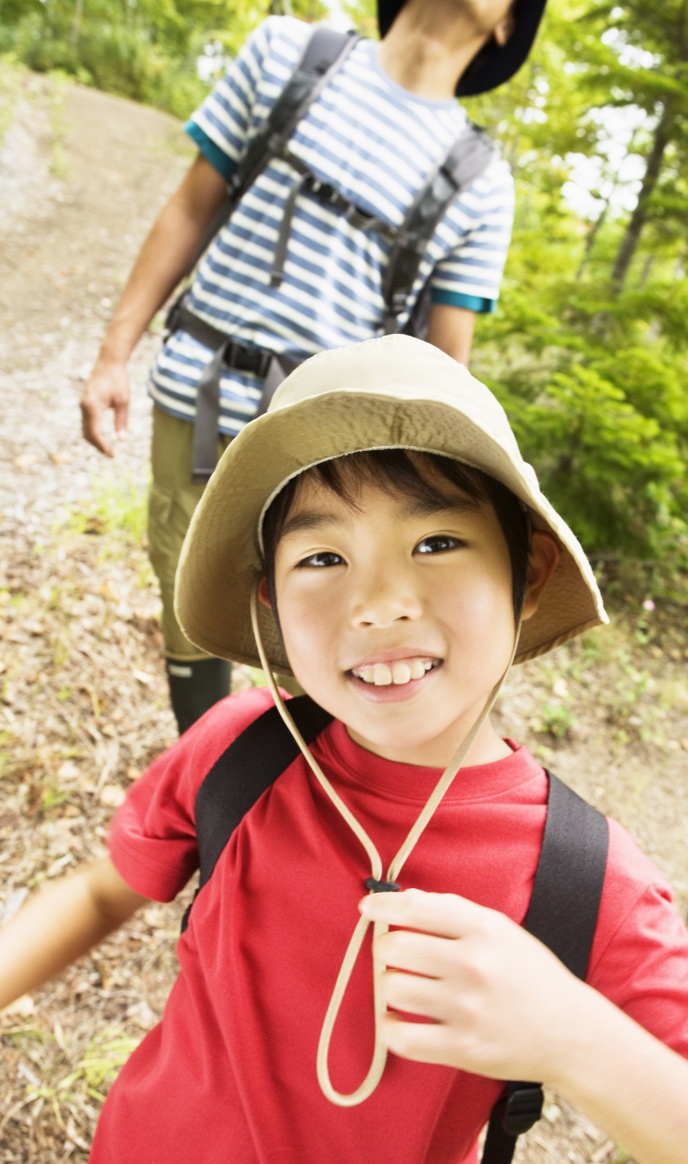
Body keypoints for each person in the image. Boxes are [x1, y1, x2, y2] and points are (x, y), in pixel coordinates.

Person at [2, 336, 688, 1164]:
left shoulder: (578, 878)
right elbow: (105, 892)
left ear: (528, 571)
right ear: (270, 602)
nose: (380, 602)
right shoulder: (243, 751)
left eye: (436, 542)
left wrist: (575, 1038)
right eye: (322, 557)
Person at [79, 0, 543, 734]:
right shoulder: (286, 55)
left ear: (510, 24)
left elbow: (446, 362)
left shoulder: (482, 181)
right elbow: (190, 208)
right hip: (196, 400)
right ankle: (207, 789)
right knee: (190, 609)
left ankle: (304, 817)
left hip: (335, 463)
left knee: (335, 643)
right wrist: (113, 354)